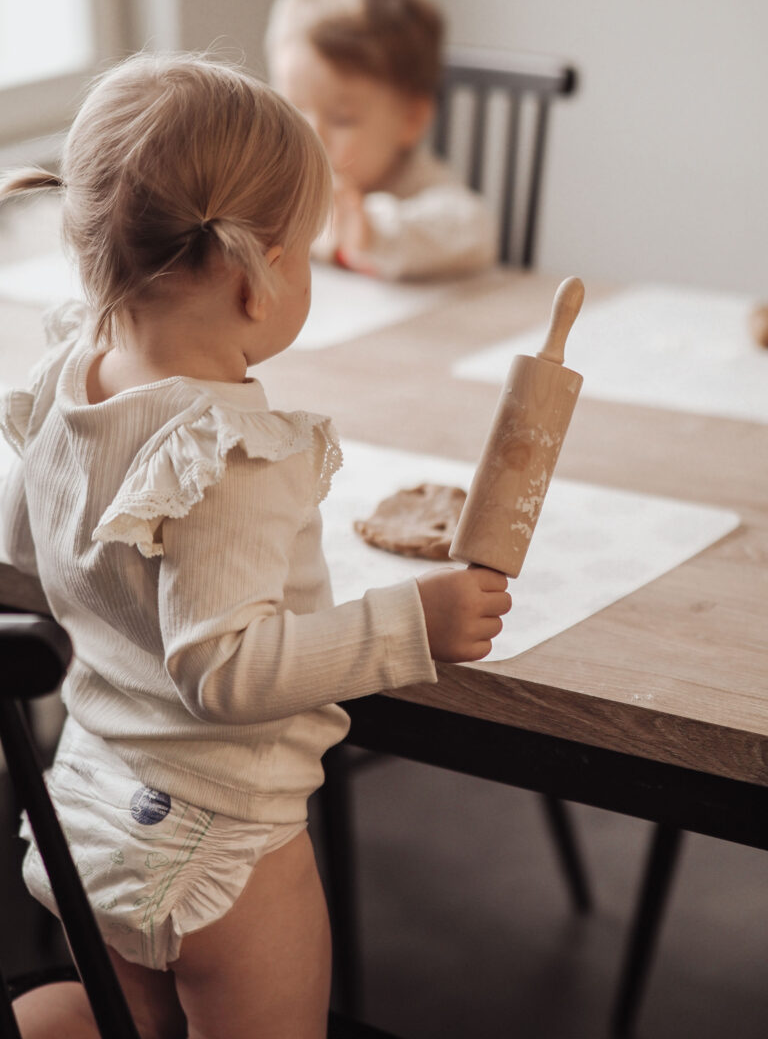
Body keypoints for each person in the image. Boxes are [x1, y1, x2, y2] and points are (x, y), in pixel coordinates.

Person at [0, 52, 511, 1039]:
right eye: (308, 252)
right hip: (222, 843)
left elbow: (23, 551)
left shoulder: (72, 378)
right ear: (253, 277)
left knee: (125, 1023)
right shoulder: (229, 453)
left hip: (89, 806)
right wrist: (411, 621)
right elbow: (224, 672)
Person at [265, 0, 496, 281]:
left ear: (411, 120)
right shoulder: (284, 181)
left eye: (341, 119)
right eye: (292, 109)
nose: (311, 133)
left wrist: (372, 230)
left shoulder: (417, 180)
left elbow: (475, 231)